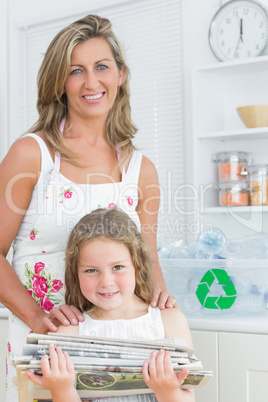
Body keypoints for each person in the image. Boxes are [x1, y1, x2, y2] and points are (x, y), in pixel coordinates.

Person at [0, 14, 176, 401]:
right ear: (59, 83)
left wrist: (162, 302)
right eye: (76, 70)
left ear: (121, 75)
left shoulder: (141, 170)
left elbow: (146, 254)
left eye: (102, 67)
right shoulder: (32, 154)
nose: (92, 82)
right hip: (45, 350)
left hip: (119, 354)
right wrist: (36, 317)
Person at [26, 208, 194, 402]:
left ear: (137, 264)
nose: (106, 282)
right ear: (76, 273)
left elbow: (189, 397)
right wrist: (63, 390)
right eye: (91, 270)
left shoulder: (170, 321)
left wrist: (167, 391)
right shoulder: (68, 332)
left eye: (117, 267)